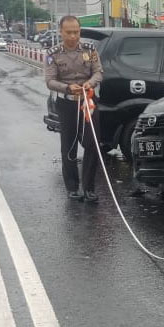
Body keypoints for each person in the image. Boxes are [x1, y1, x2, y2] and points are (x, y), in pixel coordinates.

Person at [43, 15, 103, 203]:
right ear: (61, 32)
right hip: (67, 102)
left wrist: (89, 84)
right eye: (68, 32)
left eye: (76, 32)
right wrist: (68, 88)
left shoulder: (90, 49)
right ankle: (72, 187)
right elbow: (50, 81)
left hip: (88, 102)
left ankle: (89, 188)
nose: (73, 36)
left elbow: (98, 72)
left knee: (92, 144)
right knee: (69, 145)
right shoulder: (53, 53)